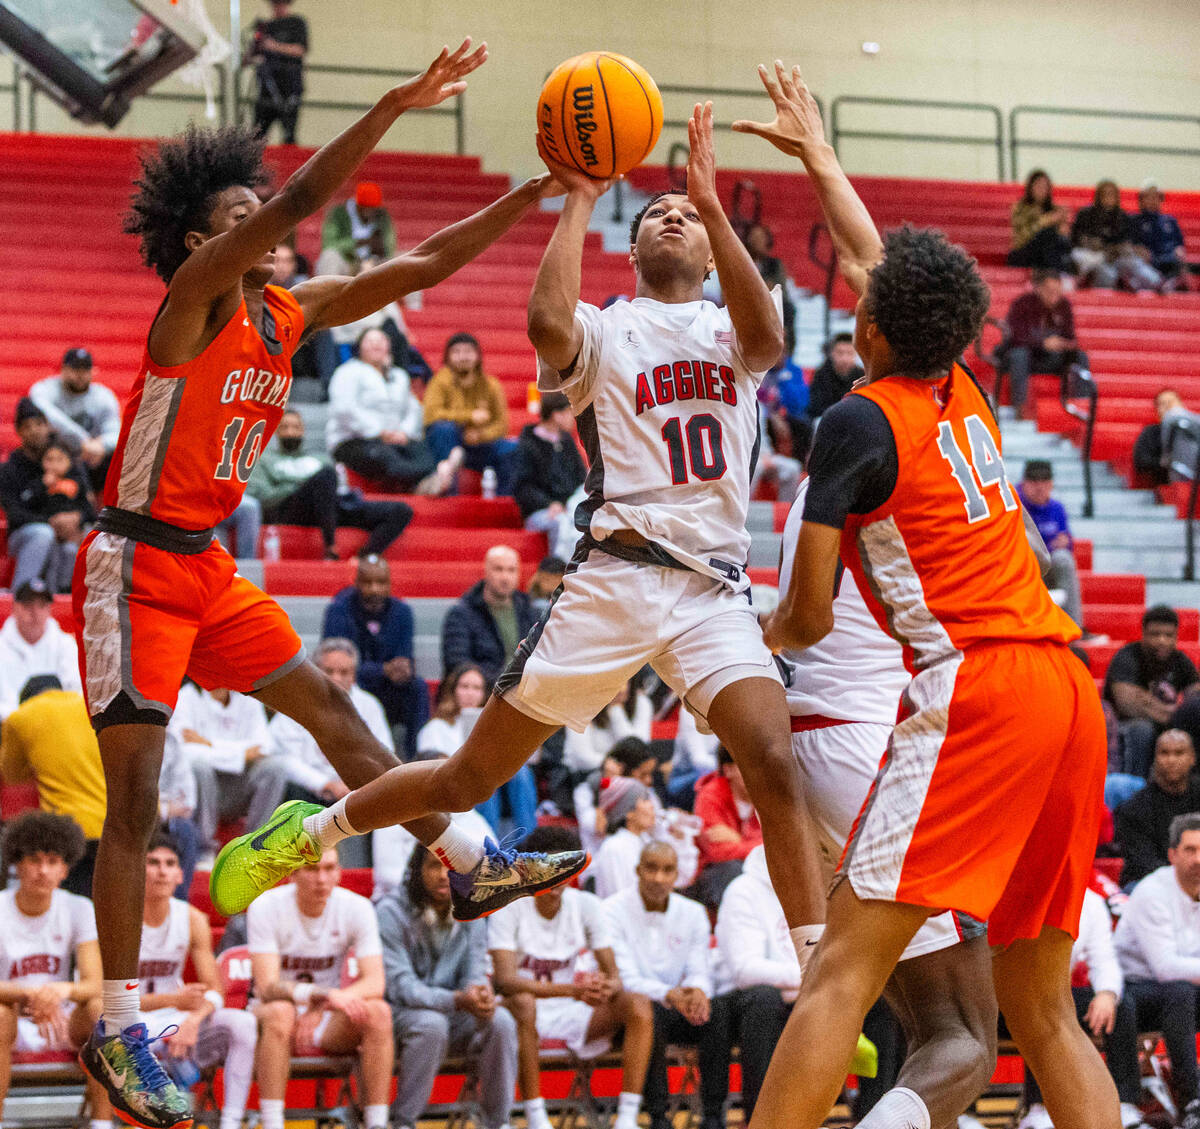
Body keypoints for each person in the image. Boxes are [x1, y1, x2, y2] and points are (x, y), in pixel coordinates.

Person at [72, 52, 587, 1124]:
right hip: (135, 566)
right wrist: (396, 105)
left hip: (207, 563)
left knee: (341, 716)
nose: (266, 217)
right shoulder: (194, 303)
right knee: (133, 801)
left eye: (260, 205)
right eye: (238, 210)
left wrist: (535, 192)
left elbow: (428, 262)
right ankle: (118, 1031)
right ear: (204, 240)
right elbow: (309, 196)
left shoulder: (287, 313)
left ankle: (468, 856)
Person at [214, 100, 823, 964]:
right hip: (616, 575)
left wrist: (714, 203)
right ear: (635, 248)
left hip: (711, 590)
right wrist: (577, 198)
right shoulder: (608, 328)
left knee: (771, 755)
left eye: (684, 213)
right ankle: (312, 828)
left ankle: (817, 966)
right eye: (656, 214)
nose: (673, 218)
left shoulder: (732, 328)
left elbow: (768, 334)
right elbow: (545, 324)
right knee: (467, 777)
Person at [740, 60, 1116, 1129]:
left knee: (840, 977)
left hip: (982, 692)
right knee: (1040, 1014)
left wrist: (755, 631)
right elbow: (877, 261)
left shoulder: (854, 423)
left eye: (861, 300)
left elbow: (808, 620)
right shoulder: (962, 384)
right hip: (1067, 691)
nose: (854, 291)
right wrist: (817, 154)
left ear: (873, 331)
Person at [488, 827, 654, 1129]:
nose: (556, 876)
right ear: (531, 868)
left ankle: (627, 1118)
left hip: (571, 1011)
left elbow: (614, 975)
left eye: (562, 868)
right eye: (548, 867)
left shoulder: (586, 905)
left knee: (638, 1004)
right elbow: (504, 981)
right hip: (521, 1017)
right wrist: (573, 990)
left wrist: (605, 987)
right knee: (523, 1003)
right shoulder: (508, 904)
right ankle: (537, 1117)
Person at [249, 848, 393, 1129]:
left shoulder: (357, 907)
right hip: (275, 1018)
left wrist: (326, 1004)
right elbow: (266, 986)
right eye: (312, 869)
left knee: (379, 1012)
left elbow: (376, 982)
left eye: (330, 869)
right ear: (292, 874)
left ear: (340, 872)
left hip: (326, 1018)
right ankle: (272, 1122)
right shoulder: (266, 906)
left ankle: (376, 1122)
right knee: (280, 1011)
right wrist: (318, 995)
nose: (322, 878)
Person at [377, 846, 518, 1129]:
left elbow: (476, 970)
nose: (444, 876)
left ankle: (499, 1123)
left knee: (501, 1021)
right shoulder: (389, 911)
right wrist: (456, 999)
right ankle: (404, 1122)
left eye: (452, 868)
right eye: (434, 866)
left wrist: (479, 994)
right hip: (401, 1014)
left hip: (455, 1011)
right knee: (431, 1025)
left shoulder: (473, 908)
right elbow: (400, 986)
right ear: (417, 870)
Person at [605, 841, 732, 1129]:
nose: (658, 878)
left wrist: (697, 991)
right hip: (634, 1011)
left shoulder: (694, 912)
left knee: (718, 1010)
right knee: (648, 1013)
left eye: (667, 870)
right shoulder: (611, 910)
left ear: (677, 875)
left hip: (679, 1005)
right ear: (638, 870)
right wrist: (670, 994)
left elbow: (699, 968)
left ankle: (714, 1116)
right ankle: (658, 1117)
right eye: (651, 868)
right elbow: (624, 977)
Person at [138, 833, 258, 1129]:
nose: (162, 870)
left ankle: (231, 1121)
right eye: (153, 862)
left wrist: (193, 1019)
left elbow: (215, 988)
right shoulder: (118, 917)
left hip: (175, 1021)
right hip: (131, 1021)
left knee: (243, 1024)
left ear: (180, 874)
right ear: (137, 870)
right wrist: (174, 1001)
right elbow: (106, 996)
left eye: (170, 863)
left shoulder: (192, 918)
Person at [0, 812, 109, 1128]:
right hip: (13, 1023)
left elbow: (95, 983)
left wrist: (60, 991)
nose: (43, 870)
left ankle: (103, 1124)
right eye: (34, 860)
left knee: (101, 1012)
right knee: (1, 1015)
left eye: (52, 861)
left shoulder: (78, 908)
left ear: (65, 868)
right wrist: (31, 993)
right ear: (16, 864)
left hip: (62, 1023)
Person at [1016, 888, 1147, 1129]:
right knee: (1041, 1007)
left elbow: (1104, 958)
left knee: (1121, 1004)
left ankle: (1126, 1107)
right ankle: (1039, 1109)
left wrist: (1106, 993)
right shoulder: (1020, 891)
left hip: (1053, 992)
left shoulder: (1091, 902)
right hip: (1003, 996)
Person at [1113, 814, 1200, 1129]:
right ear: (1172, 854)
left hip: (1183, 991)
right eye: (1190, 850)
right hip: (1132, 995)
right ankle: (1193, 1100)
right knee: (1180, 992)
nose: (1198, 859)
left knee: (1184, 993)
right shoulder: (1153, 891)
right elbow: (1166, 967)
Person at [249, 409, 415, 560]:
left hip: (329, 510)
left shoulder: (321, 459)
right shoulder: (264, 460)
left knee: (401, 510)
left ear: (303, 430)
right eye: (285, 427)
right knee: (325, 476)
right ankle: (330, 546)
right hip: (292, 509)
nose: (291, 432)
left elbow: (336, 488)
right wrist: (301, 487)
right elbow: (261, 496)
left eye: (295, 427)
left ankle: (366, 556)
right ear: (276, 432)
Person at [713, 844, 803, 1122]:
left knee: (880, 998)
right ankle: (760, 1119)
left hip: (797, 994)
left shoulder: (810, 887)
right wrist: (810, 979)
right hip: (737, 1002)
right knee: (763, 999)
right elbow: (745, 971)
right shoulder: (743, 891)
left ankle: (874, 1113)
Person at [1, 675, 107, 897]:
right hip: (112, 826)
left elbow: (12, 776)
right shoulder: (91, 708)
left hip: (67, 831)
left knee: (73, 908)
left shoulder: (21, 717)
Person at [322, 555, 430, 754]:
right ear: (356, 583)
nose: (374, 589)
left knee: (417, 687)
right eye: (367, 582)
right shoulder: (338, 610)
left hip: (388, 688)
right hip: (353, 685)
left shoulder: (402, 612)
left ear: (389, 584)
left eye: (380, 582)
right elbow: (333, 663)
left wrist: (402, 669)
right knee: (340, 681)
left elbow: (404, 658)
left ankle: (418, 758)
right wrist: (383, 669)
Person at [169, 682, 288, 860]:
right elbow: (184, 750)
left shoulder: (248, 700)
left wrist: (208, 744)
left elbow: (264, 747)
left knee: (275, 768)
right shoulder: (185, 698)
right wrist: (242, 753)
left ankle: (255, 846)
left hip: (238, 789)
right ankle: (204, 850)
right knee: (198, 766)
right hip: (200, 793)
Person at [267, 638, 392, 805]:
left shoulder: (369, 706)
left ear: (353, 674)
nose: (336, 678)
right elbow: (284, 758)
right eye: (329, 671)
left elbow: (383, 754)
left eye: (344, 672)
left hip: (354, 793)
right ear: (315, 671)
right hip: (306, 791)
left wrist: (353, 786)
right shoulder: (295, 703)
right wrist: (324, 784)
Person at [418, 663, 537, 835]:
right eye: (464, 687)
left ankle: (529, 843)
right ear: (453, 690)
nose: (470, 693)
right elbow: (427, 764)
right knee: (481, 782)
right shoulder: (436, 727)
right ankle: (490, 848)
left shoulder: (493, 724)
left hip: (492, 781)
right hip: (457, 785)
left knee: (522, 773)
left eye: (476, 688)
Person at [325, 327, 447, 494]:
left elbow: (413, 409)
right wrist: (379, 432)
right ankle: (419, 483)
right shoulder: (347, 372)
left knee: (423, 452)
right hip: (355, 440)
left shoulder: (399, 375)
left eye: (380, 341)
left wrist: (404, 432)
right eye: (370, 341)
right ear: (360, 346)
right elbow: (344, 409)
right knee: (386, 457)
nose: (376, 345)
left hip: (396, 439)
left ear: (389, 346)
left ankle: (425, 480)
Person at [1104, 605, 1200, 779]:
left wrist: (1147, 701)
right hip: (1122, 729)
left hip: (1166, 725)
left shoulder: (1181, 661)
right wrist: (1175, 715)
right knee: (1142, 729)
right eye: (1155, 634)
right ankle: (1135, 788)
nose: (1162, 640)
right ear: (1143, 633)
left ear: (1176, 636)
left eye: (1168, 635)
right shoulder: (1127, 657)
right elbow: (1128, 705)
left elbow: (1194, 703)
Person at [422, 333, 516, 493]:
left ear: (478, 356)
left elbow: (502, 424)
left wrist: (481, 435)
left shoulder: (491, 385)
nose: (462, 357)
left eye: (468, 351)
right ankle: (447, 490)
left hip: (479, 444)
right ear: (447, 357)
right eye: (456, 352)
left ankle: (505, 502)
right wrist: (469, 416)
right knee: (444, 429)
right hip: (448, 442)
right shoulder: (438, 382)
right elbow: (431, 415)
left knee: (512, 448)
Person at [1114, 729, 1200, 887]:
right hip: (1153, 884)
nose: (1171, 760)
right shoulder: (1134, 808)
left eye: (1179, 753)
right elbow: (1144, 864)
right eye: (1164, 753)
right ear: (1155, 758)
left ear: (1192, 758)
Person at [29, 348, 122, 492]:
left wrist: (102, 445)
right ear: (63, 370)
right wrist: (83, 441)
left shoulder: (104, 396)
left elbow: (115, 433)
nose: (80, 374)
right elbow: (48, 414)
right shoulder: (46, 389)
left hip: (91, 460)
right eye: (75, 369)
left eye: (85, 370)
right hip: (51, 458)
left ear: (93, 371)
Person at [440, 545, 537, 683]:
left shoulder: (529, 611)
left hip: (524, 691)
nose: (505, 577)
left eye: (511, 570)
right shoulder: (461, 613)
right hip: (482, 693)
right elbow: (457, 662)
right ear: (485, 571)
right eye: (498, 569)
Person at [1000, 270, 1090, 415]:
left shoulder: (1064, 305)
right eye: (1050, 291)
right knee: (1018, 355)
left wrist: (1062, 344)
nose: (1054, 296)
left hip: (1053, 358)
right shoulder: (1022, 304)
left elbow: (1070, 336)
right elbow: (1015, 337)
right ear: (1039, 288)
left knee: (1080, 357)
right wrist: (1042, 343)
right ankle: (1020, 407)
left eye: (1057, 291)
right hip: (1030, 357)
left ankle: (1081, 405)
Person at [512, 392, 586, 555]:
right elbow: (523, 487)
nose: (572, 417)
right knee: (561, 523)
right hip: (540, 511)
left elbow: (581, 479)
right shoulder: (528, 444)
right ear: (556, 415)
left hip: (569, 507)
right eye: (568, 412)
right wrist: (548, 504)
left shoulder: (566, 442)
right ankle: (559, 571)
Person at [0, 399, 59, 591]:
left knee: (83, 537)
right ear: (19, 431)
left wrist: (75, 519)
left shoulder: (61, 460)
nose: (35, 430)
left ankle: (63, 596)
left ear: (48, 426)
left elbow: (84, 502)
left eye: (39, 424)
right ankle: (21, 595)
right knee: (43, 534)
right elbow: (14, 514)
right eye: (28, 426)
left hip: (60, 531)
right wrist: (50, 521)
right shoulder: (8, 469)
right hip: (22, 534)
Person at [1018, 460, 1085, 629]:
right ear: (1024, 483)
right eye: (1034, 482)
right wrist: (1048, 545)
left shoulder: (1057, 508)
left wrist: (1055, 545)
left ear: (1051, 484)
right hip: (1022, 567)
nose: (1040, 487)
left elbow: (1066, 544)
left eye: (1045, 482)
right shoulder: (1015, 505)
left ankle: (1074, 626)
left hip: (1048, 571)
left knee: (1063, 558)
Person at [0, 578, 81, 719]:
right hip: (9, 726)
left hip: (57, 723)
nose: (35, 612)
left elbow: (76, 692)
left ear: (49, 609)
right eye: (28, 605)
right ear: (14, 608)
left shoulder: (66, 645)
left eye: (41, 605)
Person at [693, 747, 762, 910]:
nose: (756, 772)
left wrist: (739, 841)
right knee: (732, 869)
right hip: (712, 874)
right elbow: (718, 852)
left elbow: (781, 847)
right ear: (728, 769)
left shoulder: (767, 794)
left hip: (756, 866)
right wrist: (758, 845)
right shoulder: (709, 796)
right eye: (747, 766)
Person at [23, 440, 96, 593]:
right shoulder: (38, 483)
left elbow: (90, 511)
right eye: (49, 459)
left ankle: (70, 590)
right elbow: (28, 507)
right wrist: (43, 487)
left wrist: (78, 520)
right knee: (54, 555)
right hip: (52, 533)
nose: (54, 464)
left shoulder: (78, 482)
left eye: (60, 459)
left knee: (72, 550)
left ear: (69, 462)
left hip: (75, 534)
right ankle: (51, 592)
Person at [1071, 180, 1161, 291]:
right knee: (1084, 258)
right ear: (1099, 196)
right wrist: (1092, 244)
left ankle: (1156, 281)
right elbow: (1076, 239)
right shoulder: (1085, 214)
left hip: (1117, 257)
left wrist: (1120, 249)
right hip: (1094, 256)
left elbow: (1126, 242)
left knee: (1133, 261)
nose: (1108, 198)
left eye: (1112, 194)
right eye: (1105, 194)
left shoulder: (1122, 216)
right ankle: (1116, 282)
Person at [250, 0, 308, 145]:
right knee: (257, 134)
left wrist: (273, 46)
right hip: (266, 88)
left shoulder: (297, 23)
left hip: (289, 87)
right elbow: (251, 56)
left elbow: (300, 50)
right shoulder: (266, 26)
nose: (278, 7)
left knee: (289, 133)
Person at [591, 776, 658, 899]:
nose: (652, 806)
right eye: (645, 800)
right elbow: (619, 899)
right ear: (628, 812)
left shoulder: (646, 841)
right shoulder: (614, 848)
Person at [318, 181, 398, 277]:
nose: (370, 211)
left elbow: (390, 246)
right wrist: (357, 243)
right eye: (365, 207)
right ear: (357, 204)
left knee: (406, 260)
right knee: (329, 256)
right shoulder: (338, 214)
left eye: (373, 208)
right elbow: (329, 245)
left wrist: (376, 254)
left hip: (375, 263)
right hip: (348, 262)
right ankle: (328, 290)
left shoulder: (382, 215)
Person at [743, 222, 796, 356]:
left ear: (767, 241)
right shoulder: (741, 262)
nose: (757, 241)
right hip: (747, 305)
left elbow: (777, 287)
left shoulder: (775, 264)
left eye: (761, 237)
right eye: (754, 237)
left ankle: (787, 351)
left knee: (788, 309)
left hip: (771, 304)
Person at [1006, 169, 1074, 272]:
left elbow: (1063, 239)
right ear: (1030, 187)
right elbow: (1022, 237)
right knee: (1047, 234)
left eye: (1045, 187)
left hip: (1048, 255)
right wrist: (1047, 220)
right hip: (1025, 252)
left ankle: (1056, 275)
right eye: (1038, 186)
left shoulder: (1054, 209)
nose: (1042, 190)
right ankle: (1055, 274)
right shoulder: (1020, 208)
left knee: (1057, 241)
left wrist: (1063, 227)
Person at [1131, 181, 1187, 290]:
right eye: (1149, 197)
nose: (1153, 201)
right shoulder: (1135, 220)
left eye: (1156, 197)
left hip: (1169, 260)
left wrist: (1179, 249)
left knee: (1179, 265)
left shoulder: (1170, 221)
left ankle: (1170, 282)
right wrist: (1137, 249)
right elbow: (1130, 243)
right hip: (1148, 261)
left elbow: (1179, 243)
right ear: (1141, 199)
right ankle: (1159, 283)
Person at [803, 333, 863, 422]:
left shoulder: (861, 375)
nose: (844, 358)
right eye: (840, 353)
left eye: (849, 353)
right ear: (832, 353)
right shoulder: (821, 374)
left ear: (856, 354)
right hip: (827, 419)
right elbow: (816, 407)